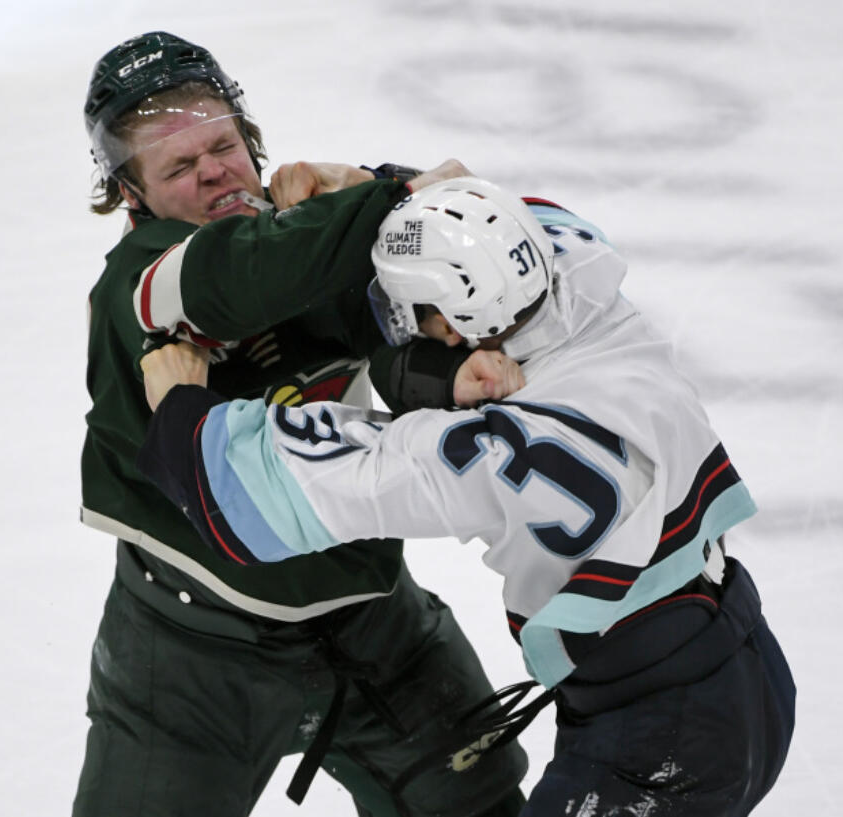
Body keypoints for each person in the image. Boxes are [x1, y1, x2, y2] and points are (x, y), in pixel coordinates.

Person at [136, 177, 797, 816]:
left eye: (411, 312)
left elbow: (245, 495)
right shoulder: (587, 278)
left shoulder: (469, 454)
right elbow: (503, 211)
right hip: (750, 665)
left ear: (452, 328)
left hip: (656, 744)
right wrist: (373, 183)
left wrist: (180, 402)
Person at [74, 31, 529, 817]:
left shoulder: (305, 237)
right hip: (192, 657)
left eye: (222, 146)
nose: (213, 170)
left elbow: (370, 352)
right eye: (178, 167)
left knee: (483, 807)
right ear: (134, 196)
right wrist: (390, 193)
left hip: (374, 622)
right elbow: (236, 276)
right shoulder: (140, 283)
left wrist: (445, 372)